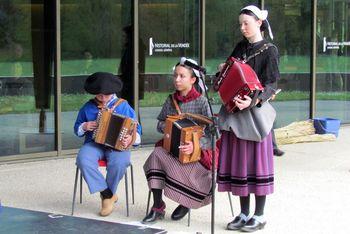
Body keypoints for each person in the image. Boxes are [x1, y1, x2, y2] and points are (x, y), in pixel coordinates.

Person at [216, 5, 280, 232]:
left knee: (257, 165)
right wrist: (221, 71)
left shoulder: (270, 50)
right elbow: (228, 74)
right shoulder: (241, 47)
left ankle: (260, 215)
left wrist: (253, 101)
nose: (242, 27)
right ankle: (244, 214)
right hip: (235, 115)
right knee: (240, 166)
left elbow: (272, 84)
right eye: (240, 24)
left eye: (247, 23)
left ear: (259, 23)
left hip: (255, 117)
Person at [142, 57, 218, 224]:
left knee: (187, 167)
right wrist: (170, 127)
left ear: (192, 79)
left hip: (194, 153)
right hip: (172, 149)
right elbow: (160, 123)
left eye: (182, 76)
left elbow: (214, 134)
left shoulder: (202, 102)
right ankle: (157, 206)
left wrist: (194, 145)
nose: (177, 79)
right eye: (175, 75)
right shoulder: (171, 100)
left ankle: (187, 201)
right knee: (156, 155)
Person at [74, 72, 141, 217]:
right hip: (94, 144)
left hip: (118, 146)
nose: (102, 98)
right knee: (83, 160)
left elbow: (137, 130)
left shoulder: (123, 106)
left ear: (112, 92)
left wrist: (130, 139)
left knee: (120, 162)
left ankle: (106, 199)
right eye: (99, 95)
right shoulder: (88, 107)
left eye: (105, 95)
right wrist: (85, 126)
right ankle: (107, 194)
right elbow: (77, 128)